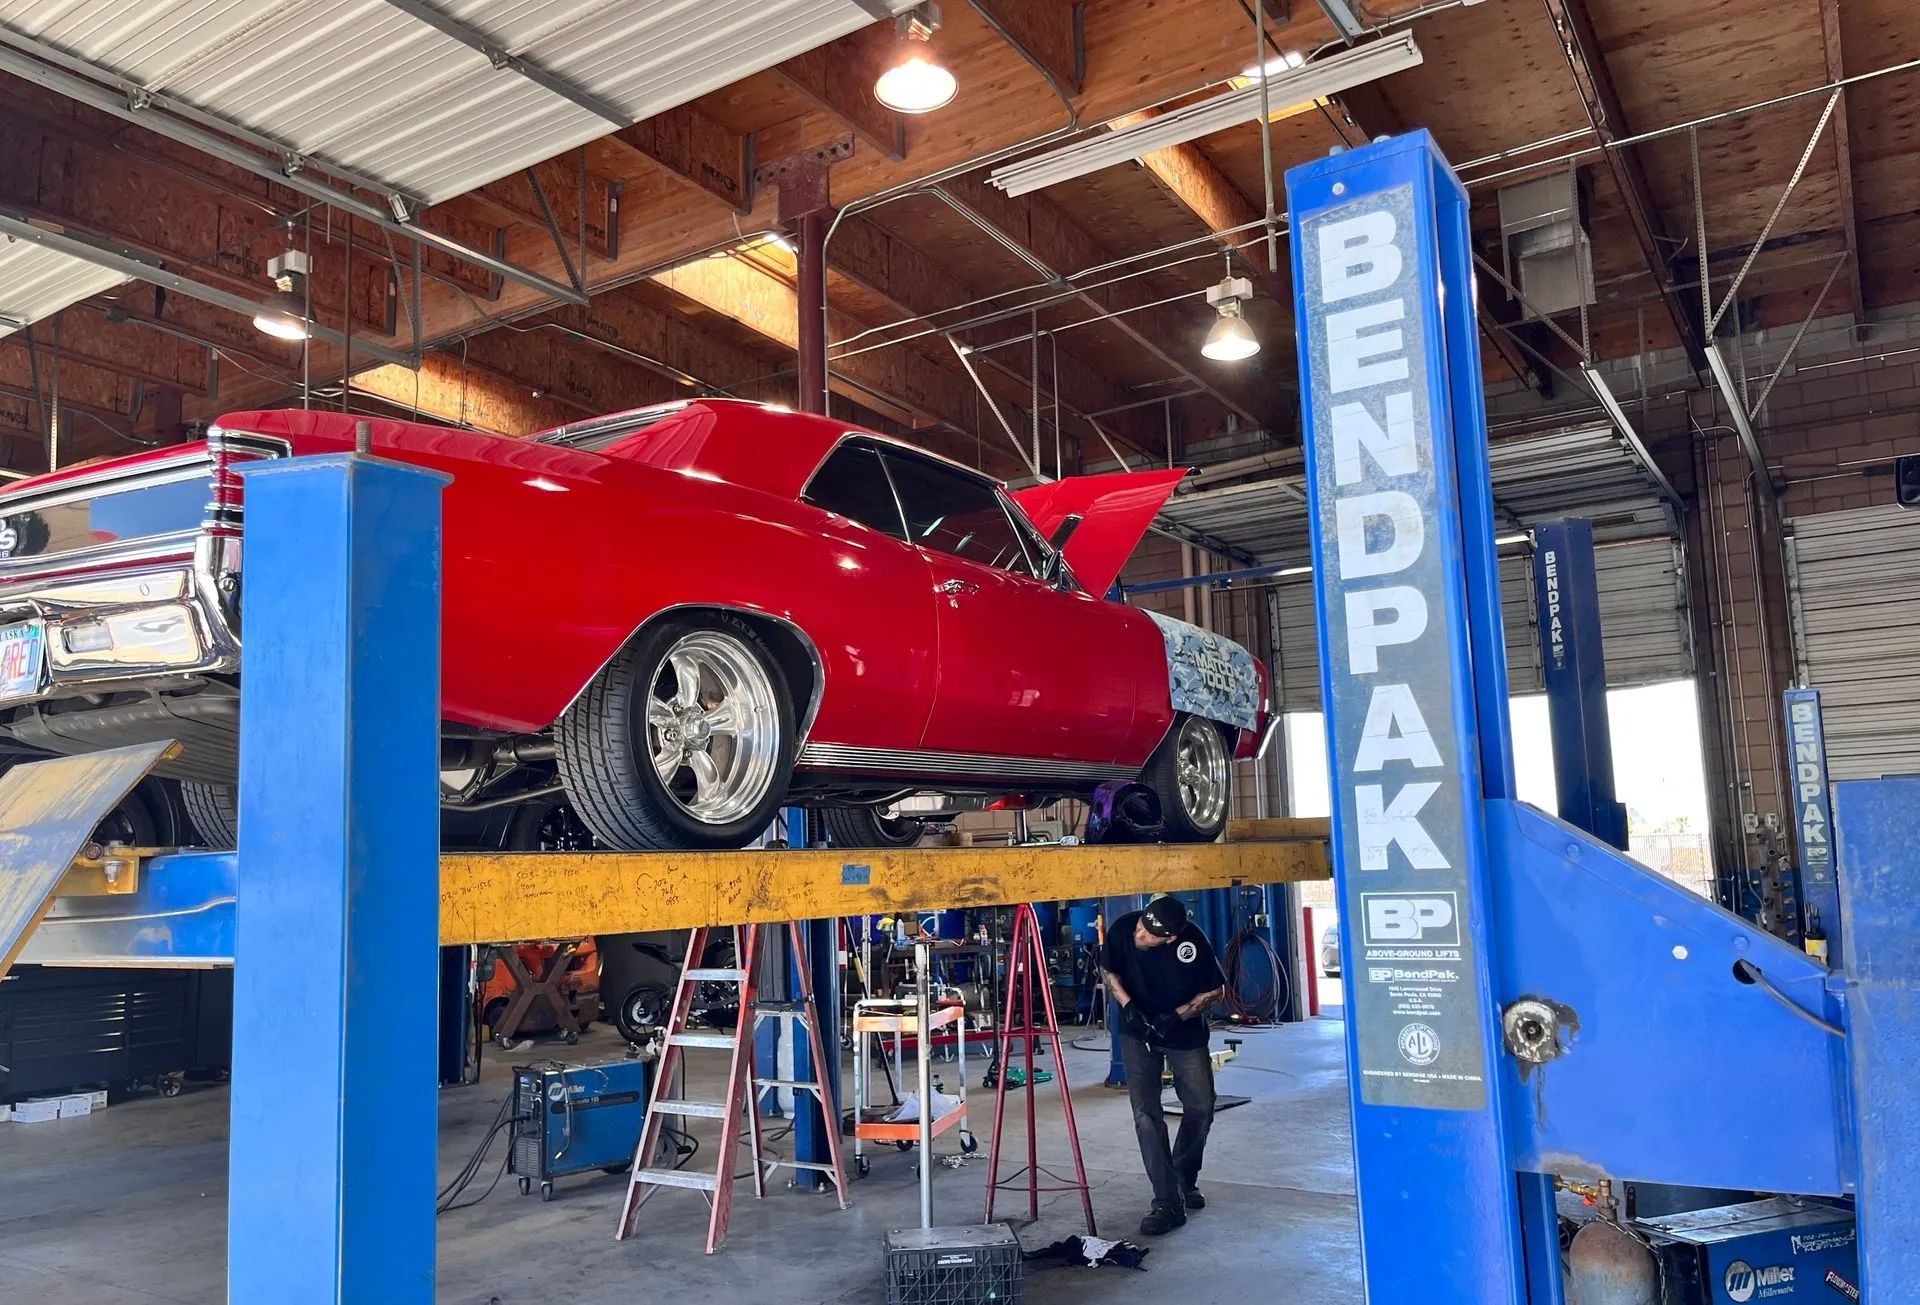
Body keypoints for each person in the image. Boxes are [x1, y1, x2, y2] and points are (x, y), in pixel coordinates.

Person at [1101, 894, 1225, 1235]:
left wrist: (1175, 1017)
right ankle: (1167, 1202)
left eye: (1150, 935)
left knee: (1201, 1105)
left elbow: (1216, 992)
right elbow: (1109, 969)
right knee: (1145, 1113)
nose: (1140, 935)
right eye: (1142, 927)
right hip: (1135, 1031)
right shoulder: (1126, 927)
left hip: (1182, 1033)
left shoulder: (1192, 943)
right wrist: (1127, 1005)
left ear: (1170, 938)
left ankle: (1184, 1178)